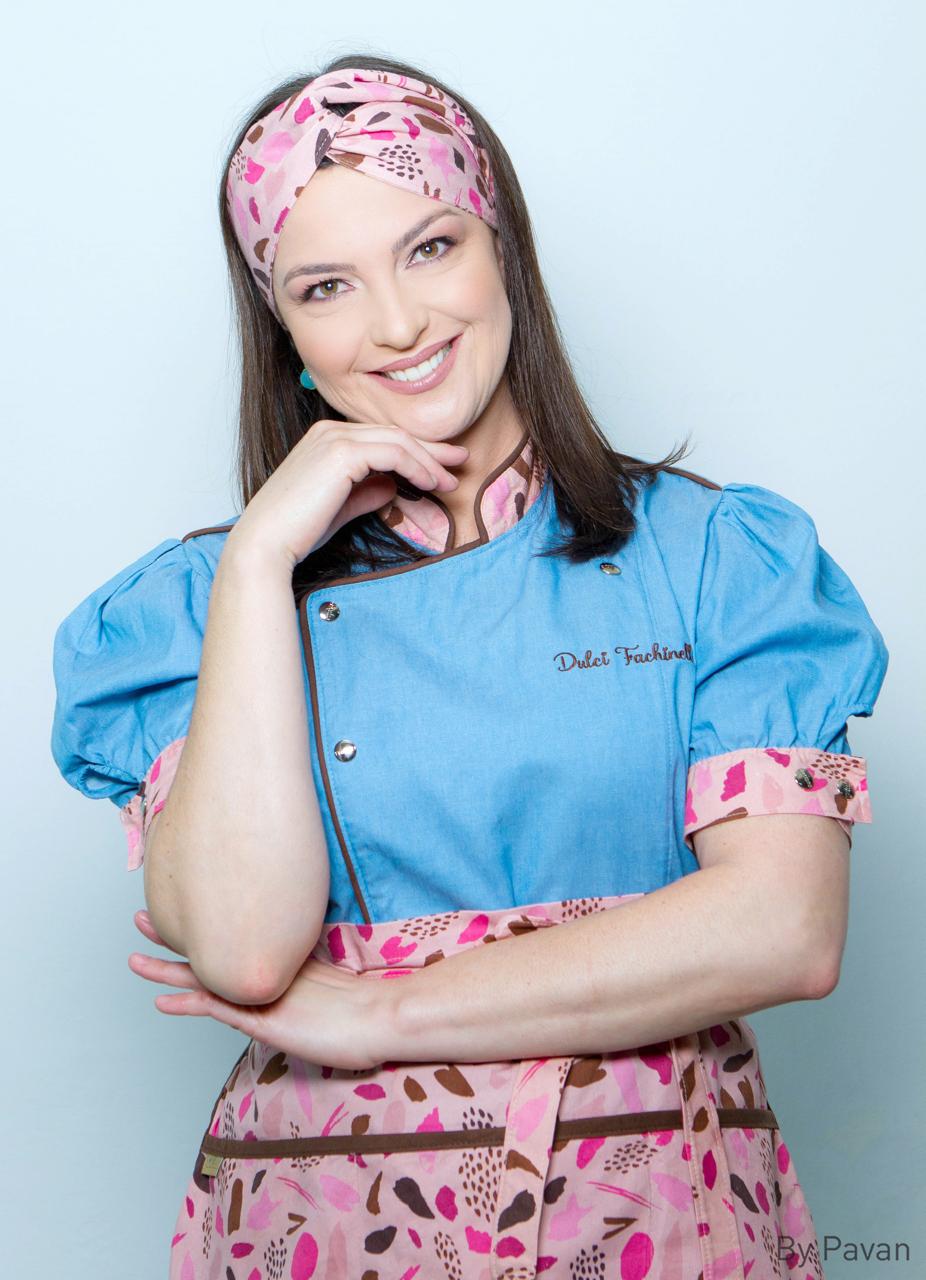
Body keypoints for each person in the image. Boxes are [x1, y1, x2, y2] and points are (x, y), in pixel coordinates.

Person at [50, 55, 889, 1280]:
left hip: (659, 1219)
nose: (396, 325)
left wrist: (380, 1009)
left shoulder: (718, 557)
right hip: (325, 1227)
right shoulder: (191, 610)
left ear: (503, 252)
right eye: (326, 286)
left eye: (430, 247)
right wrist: (257, 561)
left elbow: (782, 925)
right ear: (285, 333)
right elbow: (242, 948)